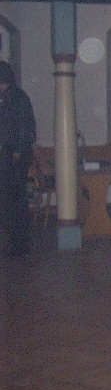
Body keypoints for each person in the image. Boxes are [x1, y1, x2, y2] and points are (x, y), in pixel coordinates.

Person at [0, 60, 36, 258]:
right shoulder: (10, 97)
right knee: (12, 199)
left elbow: (24, 127)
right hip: (12, 155)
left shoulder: (15, 97)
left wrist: (17, 152)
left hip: (15, 156)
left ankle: (20, 243)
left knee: (14, 200)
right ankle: (16, 241)